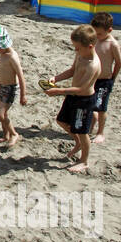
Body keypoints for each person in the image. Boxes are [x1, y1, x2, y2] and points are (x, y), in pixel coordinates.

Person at [44, 24, 101, 172]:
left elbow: (82, 88)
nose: (75, 50)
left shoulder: (93, 65)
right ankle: (77, 142)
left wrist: (58, 91)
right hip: (72, 97)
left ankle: (84, 161)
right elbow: (71, 70)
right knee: (61, 121)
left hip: (84, 101)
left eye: (78, 48)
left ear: (89, 46)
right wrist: (56, 78)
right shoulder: (80, 55)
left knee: (83, 132)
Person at [0, 26, 27, 148]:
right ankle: (5, 135)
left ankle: (14, 134)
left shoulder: (12, 57)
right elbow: (3, 71)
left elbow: (20, 76)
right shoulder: (2, 54)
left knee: (0, 115)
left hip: (10, 89)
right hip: (2, 87)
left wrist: (23, 95)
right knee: (3, 115)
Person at [90, 12, 121, 145]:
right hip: (92, 78)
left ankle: (100, 132)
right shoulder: (95, 39)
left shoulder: (112, 44)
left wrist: (112, 77)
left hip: (105, 80)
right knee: (90, 104)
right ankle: (91, 125)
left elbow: (119, 62)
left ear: (109, 30)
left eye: (99, 34)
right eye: (95, 33)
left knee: (101, 107)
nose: (97, 36)